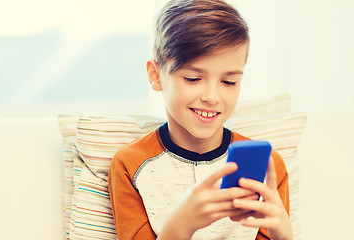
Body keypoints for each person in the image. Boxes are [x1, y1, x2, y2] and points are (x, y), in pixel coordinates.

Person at [108, 0, 293, 239]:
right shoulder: (130, 165)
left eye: (229, 82)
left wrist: (284, 236)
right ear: (156, 76)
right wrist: (180, 225)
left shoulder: (268, 166)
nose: (212, 97)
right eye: (193, 78)